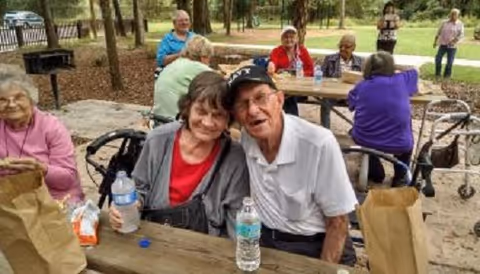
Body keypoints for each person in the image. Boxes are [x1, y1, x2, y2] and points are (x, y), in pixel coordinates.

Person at [225, 65, 358, 266]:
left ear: (279, 99)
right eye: (242, 105)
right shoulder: (247, 138)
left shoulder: (318, 143)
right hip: (265, 242)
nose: (252, 110)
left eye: (260, 97)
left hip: (314, 246)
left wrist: (323, 270)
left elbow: (338, 223)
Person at [110, 71, 250, 239]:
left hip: (206, 251)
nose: (207, 122)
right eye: (201, 111)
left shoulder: (235, 158)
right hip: (153, 240)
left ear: (228, 119)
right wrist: (126, 207)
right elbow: (139, 188)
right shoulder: (158, 140)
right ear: (188, 107)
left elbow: (237, 220)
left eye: (218, 115)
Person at [0, 64, 84, 202]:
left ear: (31, 99)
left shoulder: (51, 127)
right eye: (2, 100)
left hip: (53, 203)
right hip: (10, 203)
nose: (11, 104)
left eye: (18, 97)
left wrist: (41, 169)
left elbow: (67, 179)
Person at [348, 52, 418, 186]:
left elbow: (350, 104)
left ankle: (375, 173)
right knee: (406, 138)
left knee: (355, 131)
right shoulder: (402, 80)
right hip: (399, 142)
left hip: (366, 139)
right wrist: (393, 66)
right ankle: (400, 176)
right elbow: (415, 69)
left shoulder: (361, 86)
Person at [153, 35, 213, 119]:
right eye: (209, 58)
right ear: (203, 57)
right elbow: (221, 84)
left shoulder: (175, 63)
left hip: (158, 117)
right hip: (176, 121)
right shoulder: (198, 67)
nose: (209, 62)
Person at [267, 26, 314, 116]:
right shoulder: (276, 51)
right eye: (286, 37)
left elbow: (311, 70)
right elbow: (273, 63)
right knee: (286, 96)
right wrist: (271, 64)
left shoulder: (302, 51)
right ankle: (290, 120)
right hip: (282, 87)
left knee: (288, 97)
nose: (289, 39)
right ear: (282, 39)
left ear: (296, 39)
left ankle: (288, 120)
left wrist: (299, 74)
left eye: (291, 37)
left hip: (300, 88)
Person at [321, 34, 363, 128]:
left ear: (354, 48)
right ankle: (326, 130)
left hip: (351, 95)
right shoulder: (330, 59)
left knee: (364, 105)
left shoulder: (360, 62)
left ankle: (357, 130)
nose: (343, 49)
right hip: (332, 94)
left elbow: (364, 81)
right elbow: (321, 76)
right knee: (325, 103)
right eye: (340, 46)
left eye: (347, 47)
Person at [433, 8, 464, 80]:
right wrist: (435, 42)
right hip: (443, 44)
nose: (453, 16)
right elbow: (438, 32)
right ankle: (437, 74)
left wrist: (454, 40)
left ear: (458, 16)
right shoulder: (444, 22)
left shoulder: (460, 24)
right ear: (450, 14)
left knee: (449, 62)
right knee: (438, 59)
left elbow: (461, 35)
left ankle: (447, 76)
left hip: (452, 46)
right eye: (452, 14)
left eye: (455, 15)